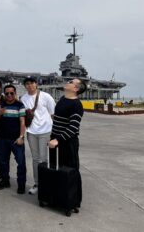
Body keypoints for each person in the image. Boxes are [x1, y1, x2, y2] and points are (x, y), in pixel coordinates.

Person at [49, 78, 87, 207]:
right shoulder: (62, 100)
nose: (68, 82)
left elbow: (73, 127)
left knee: (71, 171)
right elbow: (60, 120)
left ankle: (73, 202)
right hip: (55, 140)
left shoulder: (76, 105)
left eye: (71, 82)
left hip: (68, 143)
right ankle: (58, 198)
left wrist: (57, 139)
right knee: (56, 169)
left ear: (76, 89)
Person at [20, 76, 55, 195]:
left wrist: (54, 133)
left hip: (45, 131)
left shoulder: (46, 97)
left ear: (36, 84)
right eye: (27, 84)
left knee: (44, 159)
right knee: (35, 159)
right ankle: (37, 183)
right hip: (31, 132)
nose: (29, 85)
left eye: (31, 83)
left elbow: (53, 114)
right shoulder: (23, 98)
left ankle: (46, 183)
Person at [0, 84, 27, 194]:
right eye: (7, 93)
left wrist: (21, 137)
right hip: (3, 139)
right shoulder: (0, 105)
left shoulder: (20, 105)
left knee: (21, 163)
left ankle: (21, 184)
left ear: (15, 93)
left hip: (16, 139)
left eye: (11, 93)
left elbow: (23, 122)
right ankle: (5, 181)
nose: (9, 95)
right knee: (3, 162)